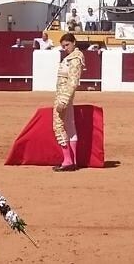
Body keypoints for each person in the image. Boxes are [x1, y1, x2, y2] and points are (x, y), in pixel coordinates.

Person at [52, 33, 85, 172]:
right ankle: (73, 161)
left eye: (67, 45)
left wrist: (64, 99)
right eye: (63, 46)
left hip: (63, 97)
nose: (65, 48)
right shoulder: (71, 58)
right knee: (70, 127)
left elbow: (73, 82)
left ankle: (67, 161)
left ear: (74, 42)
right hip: (65, 95)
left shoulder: (75, 59)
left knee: (58, 126)